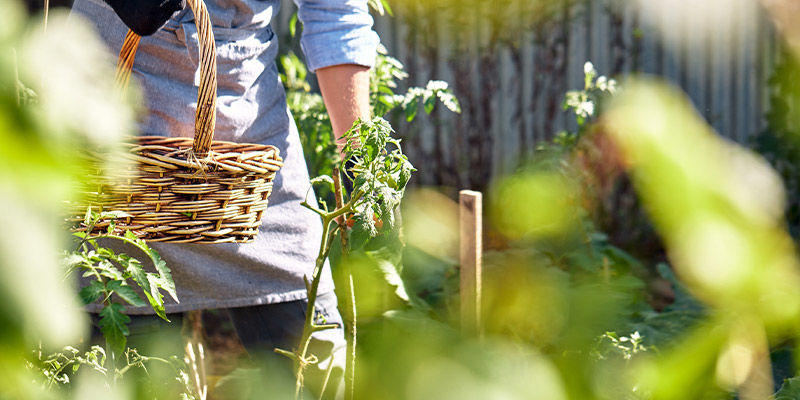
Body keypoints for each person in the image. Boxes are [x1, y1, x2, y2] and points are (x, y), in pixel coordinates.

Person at [70, 0, 378, 397]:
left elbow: (335, 11)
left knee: (316, 373)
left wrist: (361, 158)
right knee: (133, 377)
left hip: (247, 139)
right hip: (118, 141)